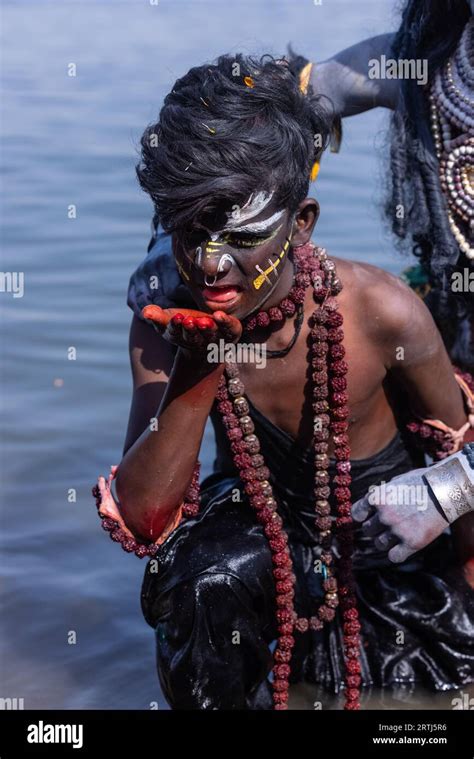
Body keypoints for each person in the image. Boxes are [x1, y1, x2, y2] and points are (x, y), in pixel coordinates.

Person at [94, 54, 474, 710]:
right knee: (198, 579)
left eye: (241, 235)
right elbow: (146, 518)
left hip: (390, 554)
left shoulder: (380, 313)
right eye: (190, 231)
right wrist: (198, 359)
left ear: (302, 224)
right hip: (268, 540)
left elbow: (460, 481)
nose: (212, 264)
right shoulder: (165, 314)